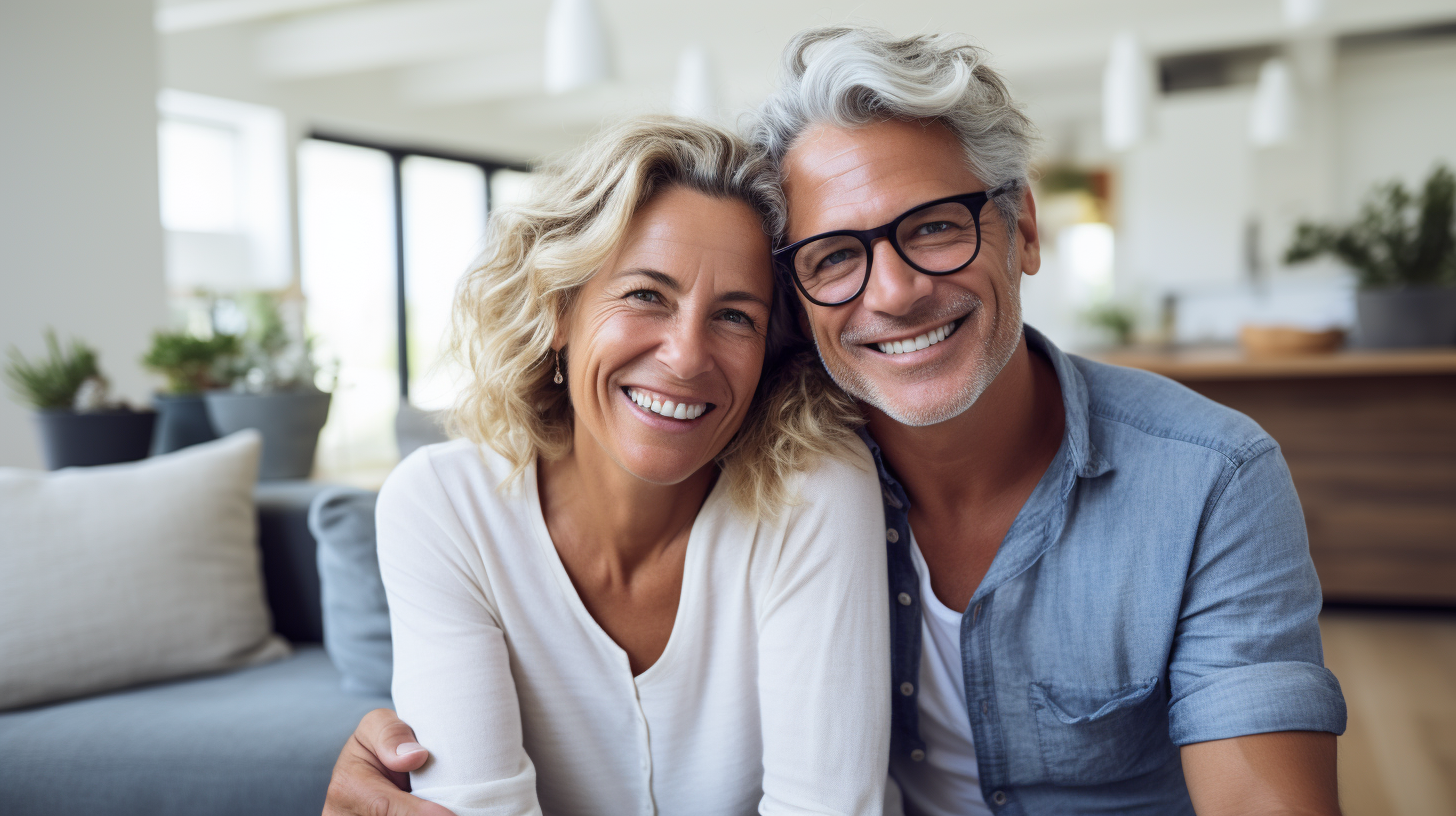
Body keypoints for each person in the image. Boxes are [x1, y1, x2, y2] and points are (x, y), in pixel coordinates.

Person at [325, 27, 1347, 816]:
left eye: (935, 228)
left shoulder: (1207, 477)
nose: (893, 292)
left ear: (1022, 228)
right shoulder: (780, 468)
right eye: (834, 255)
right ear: (799, 303)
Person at [365, 116, 891, 816]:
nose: (685, 356)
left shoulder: (814, 488)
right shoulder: (442, 506)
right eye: (646, 295)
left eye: (735, 316)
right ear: (559, 308)